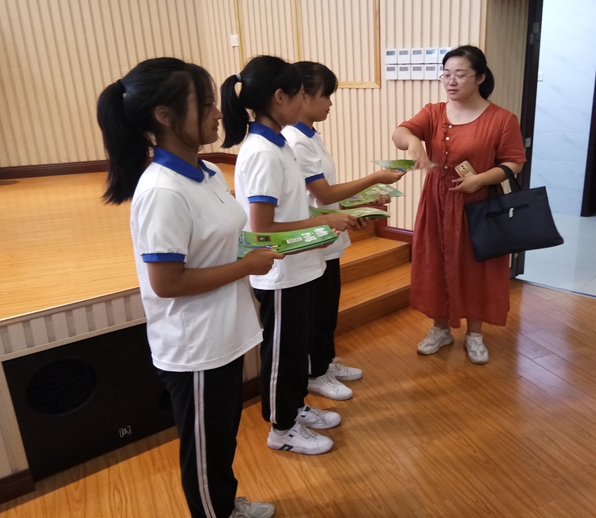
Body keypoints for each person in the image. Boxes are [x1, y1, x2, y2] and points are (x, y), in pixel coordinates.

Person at [97, 58, 279, 518]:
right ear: (164, 115)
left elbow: (220, 241)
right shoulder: (162, 191)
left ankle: (224, 505)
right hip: (195, 345)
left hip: (223, 333)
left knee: (220, 440)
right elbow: (167, 282)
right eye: (206, 104)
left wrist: (269, 246)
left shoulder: (208, 171)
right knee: (205, 453)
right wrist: (247, 266)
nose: (218, 113)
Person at [221, 55, 356, 455]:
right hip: (280, 273)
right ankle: (281, 429)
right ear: (280, 97)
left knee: (297, 350)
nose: (304, 102)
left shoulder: (279, 144)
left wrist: (323, 224)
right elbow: (262, 226)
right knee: (283, 353)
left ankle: (295, 408)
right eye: (300, 95)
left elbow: (291, 211)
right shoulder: (262, 152)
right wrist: (324, 222)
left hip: (301, 266)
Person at [391, 45, 526, 365]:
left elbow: (514, 162)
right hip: (437, 201)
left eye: (460, 75)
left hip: (479, 203)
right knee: (435, 260)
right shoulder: (434, 112)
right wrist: (413, 141)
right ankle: (440, 328)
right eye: (446, 74)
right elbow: (400, 133)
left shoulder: (502, 119)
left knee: (478, 266)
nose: (451, 81)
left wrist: (480, 180)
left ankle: (475, 333)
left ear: (480, 77)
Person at [282, 61, 405, 400]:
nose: (330, 103)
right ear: (303, 97)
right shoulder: (295, 141)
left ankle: (324, 361)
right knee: (315, 312)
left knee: (326, 310)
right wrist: (374, 177)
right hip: (312, 238)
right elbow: (323, 195)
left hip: (328, 237)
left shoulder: (311, 136)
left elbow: (325, 194)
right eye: (326, 96)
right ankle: (315, 372)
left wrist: (364, 202)